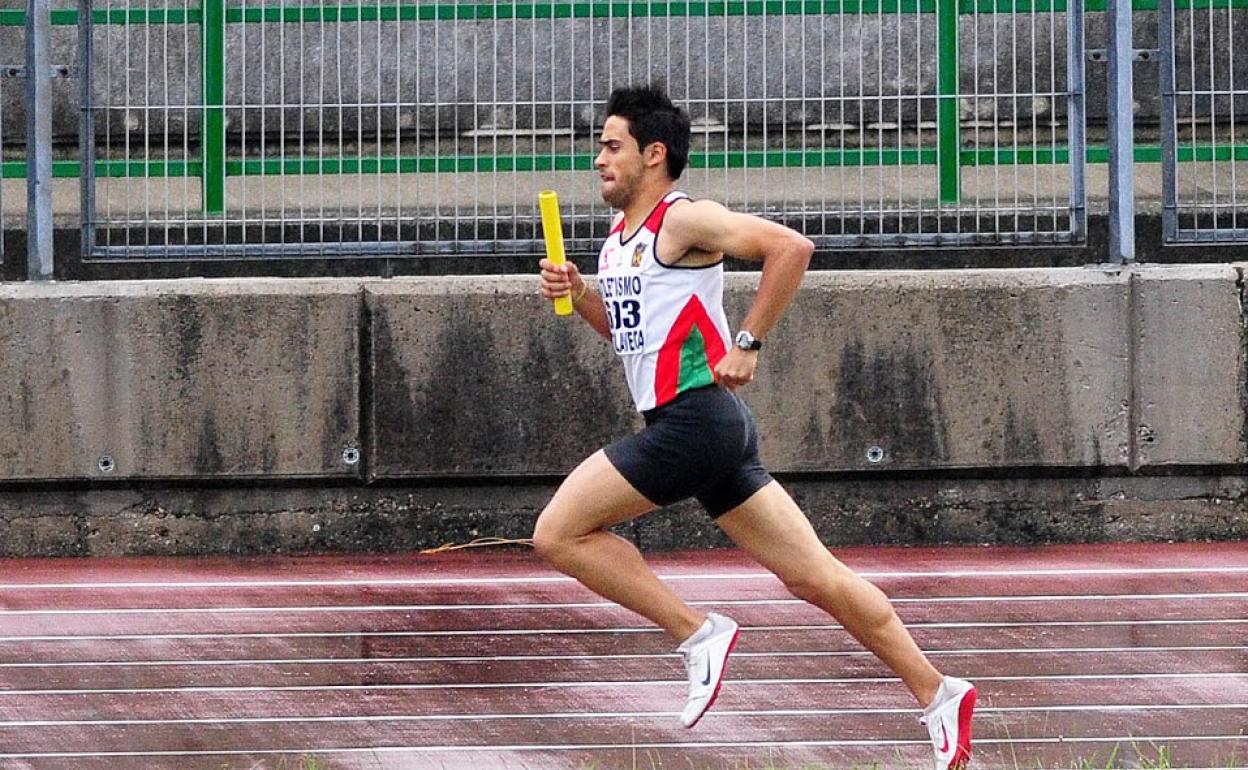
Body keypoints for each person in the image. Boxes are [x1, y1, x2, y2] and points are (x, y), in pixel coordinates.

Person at [533, 83, 976, 770]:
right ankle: (939, 691)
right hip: (710, 429)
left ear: (654, 155)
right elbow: (630, 341)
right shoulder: (618, 243)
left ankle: (697, 632)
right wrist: (582, 295)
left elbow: (790, 249)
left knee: (559, 533)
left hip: (696, 420)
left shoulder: (684, 221)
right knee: (818, 578)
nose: (598, 159)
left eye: (611, 145)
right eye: (599, 146)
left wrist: (749, 341)